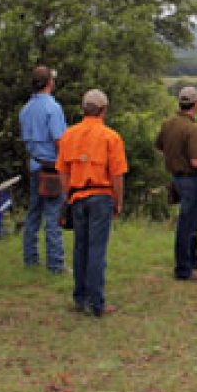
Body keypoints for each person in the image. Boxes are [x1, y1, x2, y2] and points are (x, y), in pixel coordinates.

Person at [56, 89, 128, 317]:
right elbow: (117, 175)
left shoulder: (69, 135)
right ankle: (97, 303)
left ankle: (80, 298)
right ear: (104, 110)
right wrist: (118, 202)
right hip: (101, 197)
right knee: (97, 250)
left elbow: (62, 172)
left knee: (80, 248)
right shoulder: (111, 137)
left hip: (77, 197)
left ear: (83, 109)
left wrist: (69, 196)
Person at [155, 86, 197, 281]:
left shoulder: (168, 124)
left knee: (189, 221)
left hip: (177, 178)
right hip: (192, 179)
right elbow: (196, 161)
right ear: (196, 104)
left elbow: (159, 148)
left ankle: (192, 260)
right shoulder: (192, 128)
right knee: (188, 224)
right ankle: (184, 269)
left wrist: (174, 161)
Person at [18, 65, 68, 273]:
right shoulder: (52, 107)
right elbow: (59, 140)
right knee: (54, 216)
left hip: (35, 165)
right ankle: (55, 264)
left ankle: (30, 259)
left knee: (33, 214)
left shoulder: (26, 108)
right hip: (52, 168)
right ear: (49, 82)